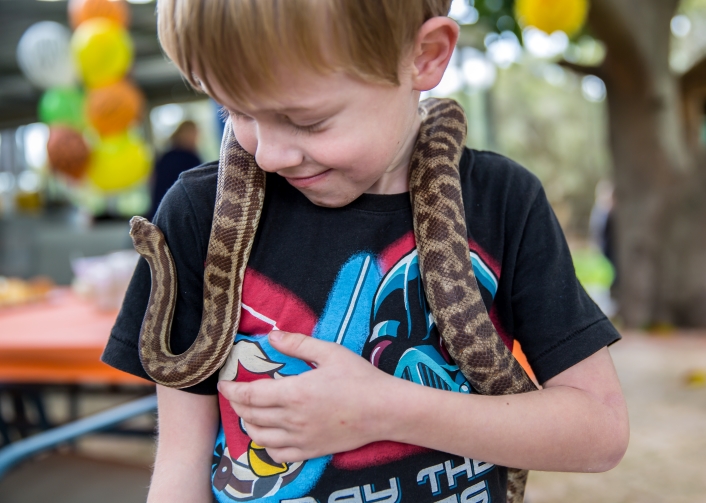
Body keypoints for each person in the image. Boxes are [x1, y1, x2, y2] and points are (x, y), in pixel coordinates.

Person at [101, 1, 629, 501]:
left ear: (424, 58)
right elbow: (180, 462)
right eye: (233, 113)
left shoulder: (501, 199)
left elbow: (599, 431)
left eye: (307, 120)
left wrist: (385, 409)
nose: (267, 154)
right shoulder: (200, 212)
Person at [148, 120, 202, 219]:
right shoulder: (188, 158)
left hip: (163, 211)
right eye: (192, 133)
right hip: (177, 212)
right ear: (182, 134)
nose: (196, 137)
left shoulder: (166, 156)